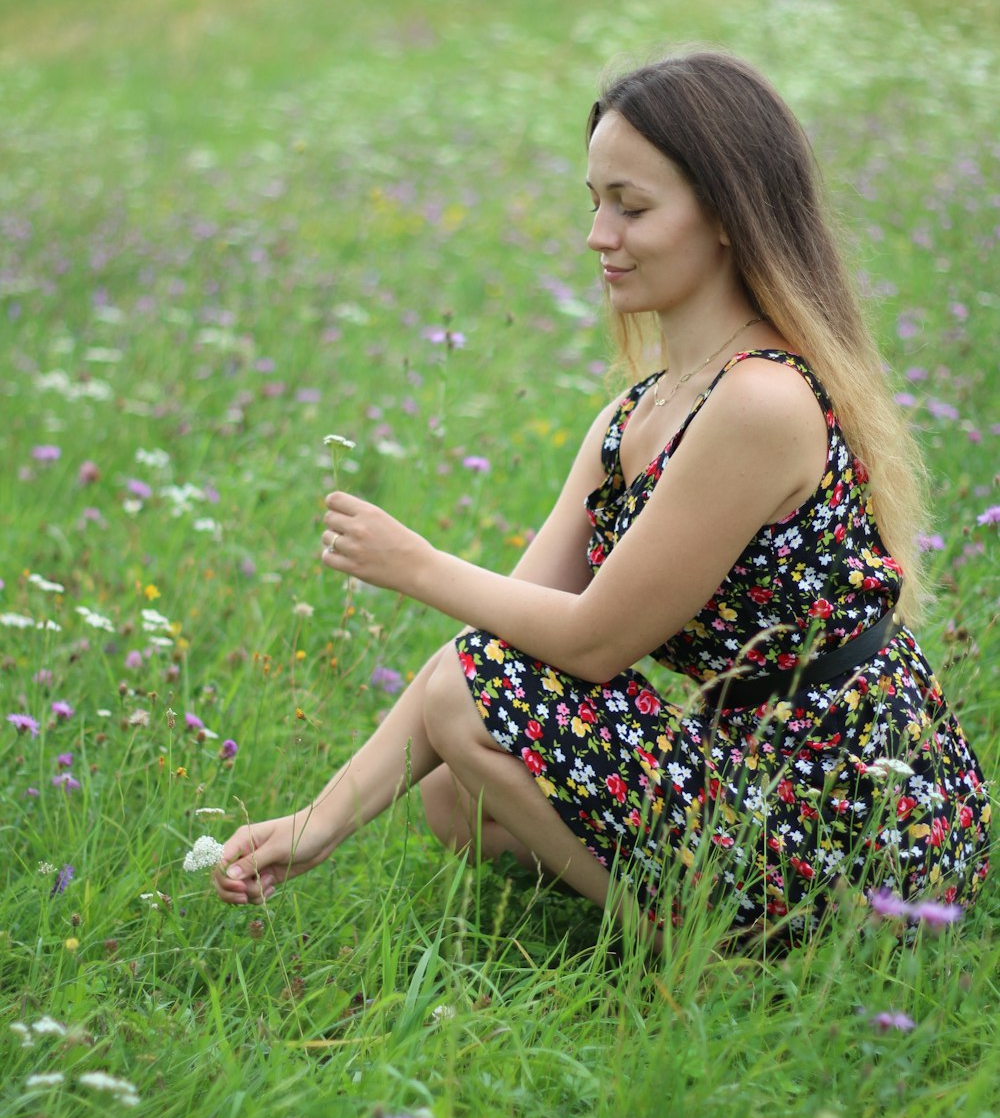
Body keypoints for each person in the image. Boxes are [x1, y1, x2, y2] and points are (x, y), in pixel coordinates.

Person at [214, 50, 989, 940]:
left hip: (862, 822)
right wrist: (315, 827)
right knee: (447, 788)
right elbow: (503, 633)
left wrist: (416, 566)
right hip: (745, 771)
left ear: (727, 214)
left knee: (472, 704)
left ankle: (702, 955)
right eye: (594, 202)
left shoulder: (763, 399)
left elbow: (592, 643)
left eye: (631, 206)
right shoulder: (636, 413)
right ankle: (709, 916)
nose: (597, 235)